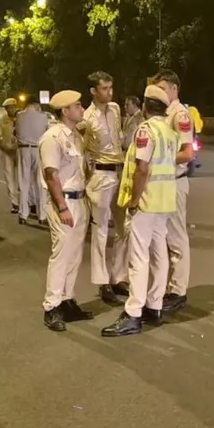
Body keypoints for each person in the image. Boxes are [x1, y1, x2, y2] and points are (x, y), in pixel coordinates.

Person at [102, 85, 178, 337]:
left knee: (138, 257)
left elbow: (142, 168)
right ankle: (154, 305)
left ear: (145, 105)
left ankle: (133, 312)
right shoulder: (169, 131)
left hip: (146, 202)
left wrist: (134, 200)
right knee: (159, 254)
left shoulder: (146, 129)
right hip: (165, 201)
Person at [39, 90, 93, 331]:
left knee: (75, 255)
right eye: (77, 105)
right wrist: (62, 207)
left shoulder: (76, 137)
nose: (82, 109)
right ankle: (51, 307)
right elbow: (51, 176)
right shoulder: (52, 137)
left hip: (80, 201)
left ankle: (67, 300)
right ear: (65, 111)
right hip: (65, 203)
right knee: (61, 255)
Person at [78, 71, 129, 304]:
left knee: (124, 228)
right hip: (100, 174)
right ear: (93, 91)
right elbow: (82, 151)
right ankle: (102, 281)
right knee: (100, 231)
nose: (109, 92)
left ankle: (119, 276)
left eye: (111, 87)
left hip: (119, 172)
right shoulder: (86, 118)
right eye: (105, 88)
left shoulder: (116, 109)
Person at [151, 69, 196, 313]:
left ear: (174, 89)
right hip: (163, 183)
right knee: (163, 238)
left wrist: (160, 161)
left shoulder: (180, 115)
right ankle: (168, 287)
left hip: (175, 181)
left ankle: (178, 290)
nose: (159, 94)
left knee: (176, 238)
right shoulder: (164, 114)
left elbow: (188, 153)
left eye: (162, 89)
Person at [16, 97, 50, 225]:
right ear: (35, 104)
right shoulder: (43, 116)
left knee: (23, 182)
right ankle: (42, 215)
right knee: (40, 183)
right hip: (38, 149)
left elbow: (16, 131)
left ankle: (23, 214)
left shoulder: (19, 116)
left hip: (23, 149)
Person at [0, 98, 21, 214]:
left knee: (23, 178)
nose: (11, 109)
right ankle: (15, 203)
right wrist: (3, 145)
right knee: (10, 177)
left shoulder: (22, 118)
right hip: (6, 151)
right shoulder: (2, 120)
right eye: (9, 108)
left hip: (20, 151)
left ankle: (28, 201)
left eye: (13, 107)